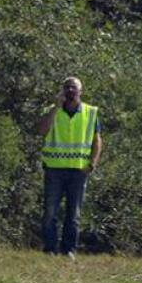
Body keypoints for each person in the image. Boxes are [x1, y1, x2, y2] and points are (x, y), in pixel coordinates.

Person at [36, 76, 103, 259]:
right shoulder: (52, 111)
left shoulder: (90, 112)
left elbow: (97, 140)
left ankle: (69, 250)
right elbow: (41, 131)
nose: (70, 91)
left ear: (80, 91)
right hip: (54, 169)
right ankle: (50, 249)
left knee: (73, 214)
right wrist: (55, 107)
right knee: (50, 212)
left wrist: (93, 163)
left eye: (73, 88)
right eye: (67, 87)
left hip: (78, 170)